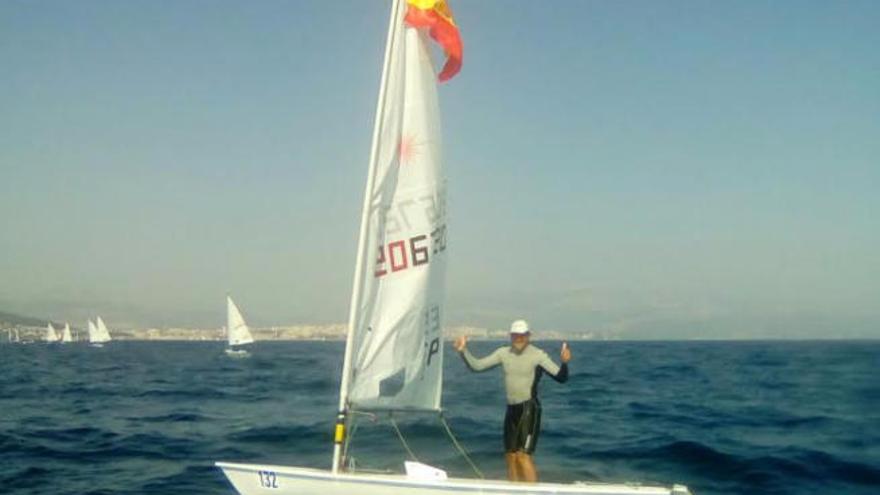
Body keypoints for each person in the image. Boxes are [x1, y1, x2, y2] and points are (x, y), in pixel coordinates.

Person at [453, 319, 571, 482]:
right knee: (511, 456)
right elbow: (477, 366)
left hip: (529, 409)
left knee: (523, 456)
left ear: (528, 336)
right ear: (510, 336)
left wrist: (564, 362)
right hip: (511, 410)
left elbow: (561, 377)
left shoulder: (538, 355)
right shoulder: (503, 353)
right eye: (516, 335)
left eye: (522, 335)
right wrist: (463, 351)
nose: (519, 339)